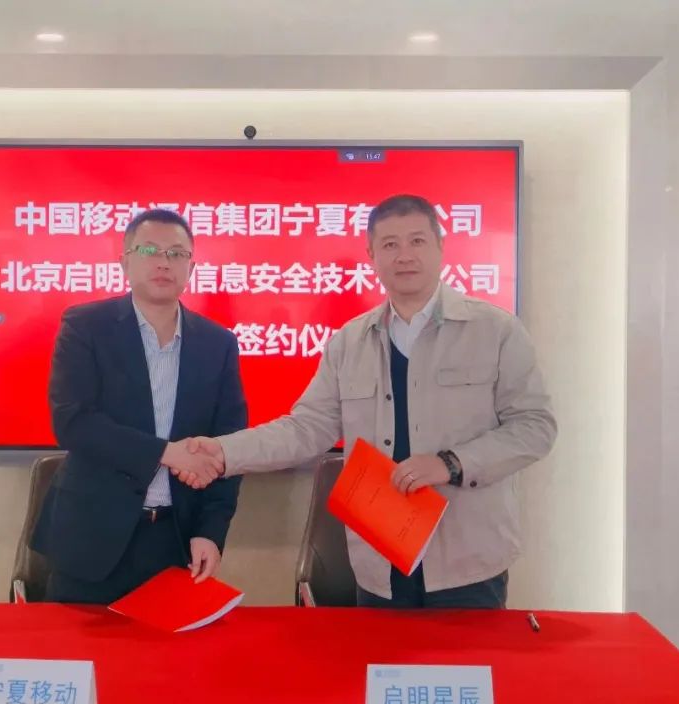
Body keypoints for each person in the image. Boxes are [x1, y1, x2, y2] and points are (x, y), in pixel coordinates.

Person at [180, 194, 556, 609]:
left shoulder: (495, 330)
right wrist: (223, 452)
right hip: (379, 562)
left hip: (467, 559)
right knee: (378, 655)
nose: (404, 255)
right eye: (390, 244)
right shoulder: (349, 342)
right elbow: (306, 429)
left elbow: (535, 426)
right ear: (372, 255)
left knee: (465, 655)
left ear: (440, 246)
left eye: (417, 241)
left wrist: (451, 463)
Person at [32, 209, 243, 604]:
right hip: (91, 535)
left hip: (174, 540)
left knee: (166, 646)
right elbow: (73, 422)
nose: (164, 262)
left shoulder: (218, 344)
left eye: (177, 253)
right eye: (149, 250)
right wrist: (166, 452)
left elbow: (228, 446)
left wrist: (211, 531)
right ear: (125, 261)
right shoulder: (85, 326)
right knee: (77, 643)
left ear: (191, 267)